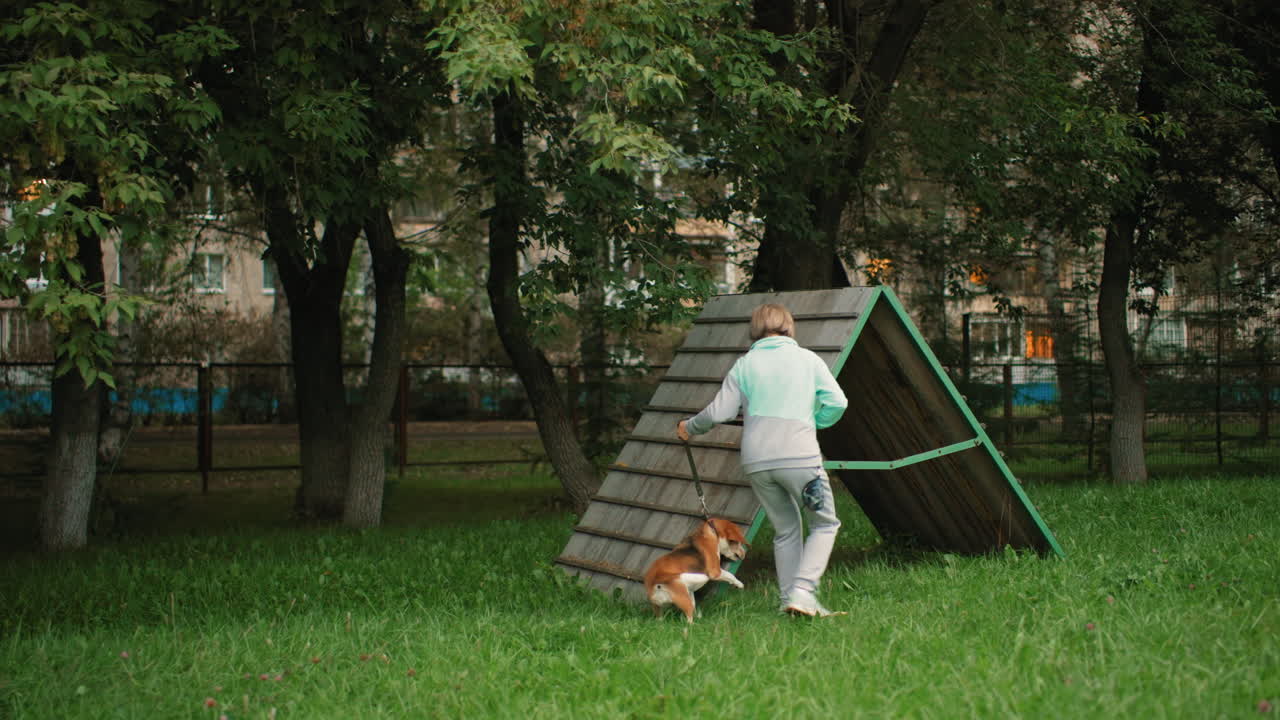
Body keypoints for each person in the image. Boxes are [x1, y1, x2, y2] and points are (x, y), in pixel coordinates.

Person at [676, 303, 848, 617]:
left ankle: (788, 601)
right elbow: (838, 402)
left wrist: (689, 426)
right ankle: (803, 593)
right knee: (825, 524)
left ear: (755, 330)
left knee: (786, 529)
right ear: (789, 327)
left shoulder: (745, 364)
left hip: (757, 461)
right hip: (799, 457)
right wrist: (815, 421)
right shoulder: (808, 359)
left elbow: (719, 413)